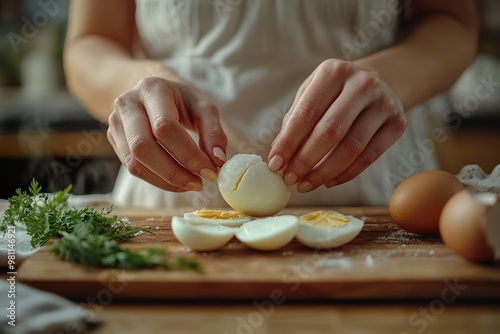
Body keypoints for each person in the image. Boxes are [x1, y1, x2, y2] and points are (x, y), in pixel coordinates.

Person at [64, 0, 477, 208]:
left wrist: (390, 78)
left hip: (371, 185)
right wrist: (138, 86)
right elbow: (89, 43)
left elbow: (451, 21)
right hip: (174, 200)